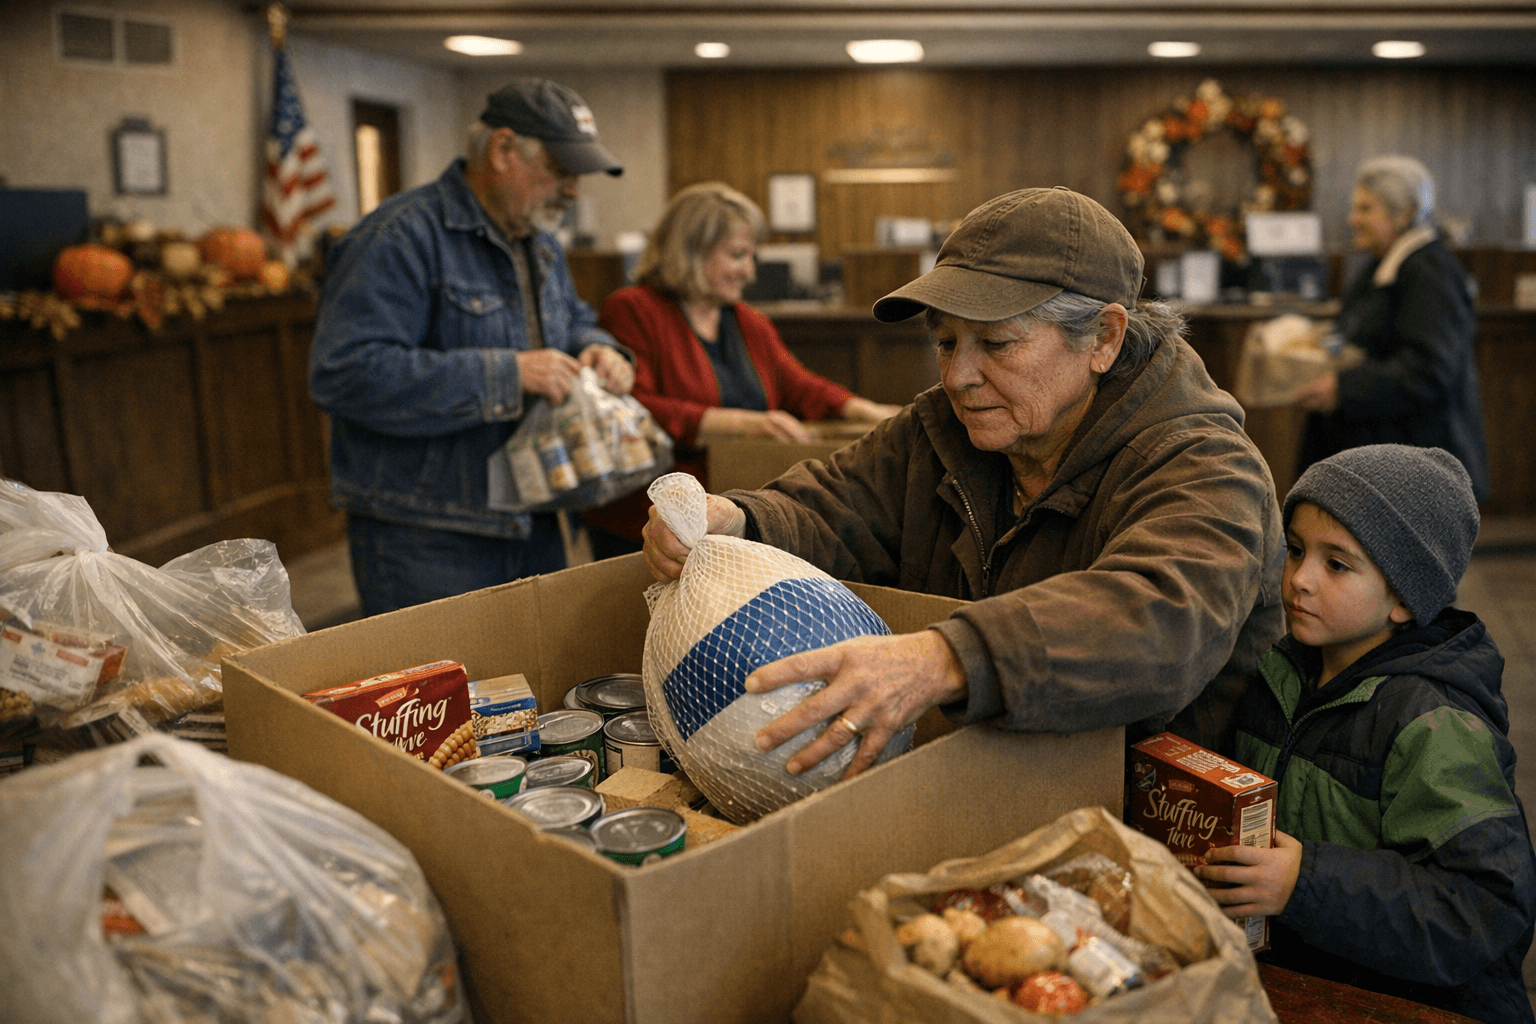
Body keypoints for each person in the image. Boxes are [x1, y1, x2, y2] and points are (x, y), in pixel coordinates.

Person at [642, 186, 1285, 778]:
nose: (958, 377)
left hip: (1148, 811)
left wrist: (946, 659)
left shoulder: (1203, 462)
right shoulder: (943, 429)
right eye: (947, 343)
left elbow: (1159, 618)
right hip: (976, 782)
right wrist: (738, 520)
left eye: (997, 344)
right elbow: (837, 502)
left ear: (1105, 339)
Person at [1198, 444, 1535, 1024]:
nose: (1299, 579)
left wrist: (1305, 883)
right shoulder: (1280, 673)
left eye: (1337, 564)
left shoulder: (1434, 723)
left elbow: (1483, 908)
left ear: (1405, 597)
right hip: (1311, 987)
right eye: (1296, 550)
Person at [309, 78, 637, 616]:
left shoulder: (537, 237)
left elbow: (571, 320)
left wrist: (600, 349)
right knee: (439, 697)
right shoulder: (397, 237)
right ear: (504, 150)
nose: (575, 189)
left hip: (534, 517)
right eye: (561, 169)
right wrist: (509, 376)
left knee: (528, 694)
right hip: (428, 537)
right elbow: (343, 372)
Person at [583, 181, 901, 558]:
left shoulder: (747, 321)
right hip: (647, 525)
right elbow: (636, 411)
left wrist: (872, 413)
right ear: (691, 252)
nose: (749, 271)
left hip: (724, 513)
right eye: (738, 255)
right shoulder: (633, 309)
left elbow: (801, 386)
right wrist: (744, 422)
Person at [1292, 155, 1489, 500]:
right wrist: (1320, 346)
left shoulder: (1429, 272)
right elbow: (1359, 334)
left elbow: (1428, 371)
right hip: (1381, 458)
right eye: (1355, 208)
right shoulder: (1382, 264)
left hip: (1415, 469)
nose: (1353, 220)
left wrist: (1344, 387)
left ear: (1405, 214)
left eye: (1367, 209)